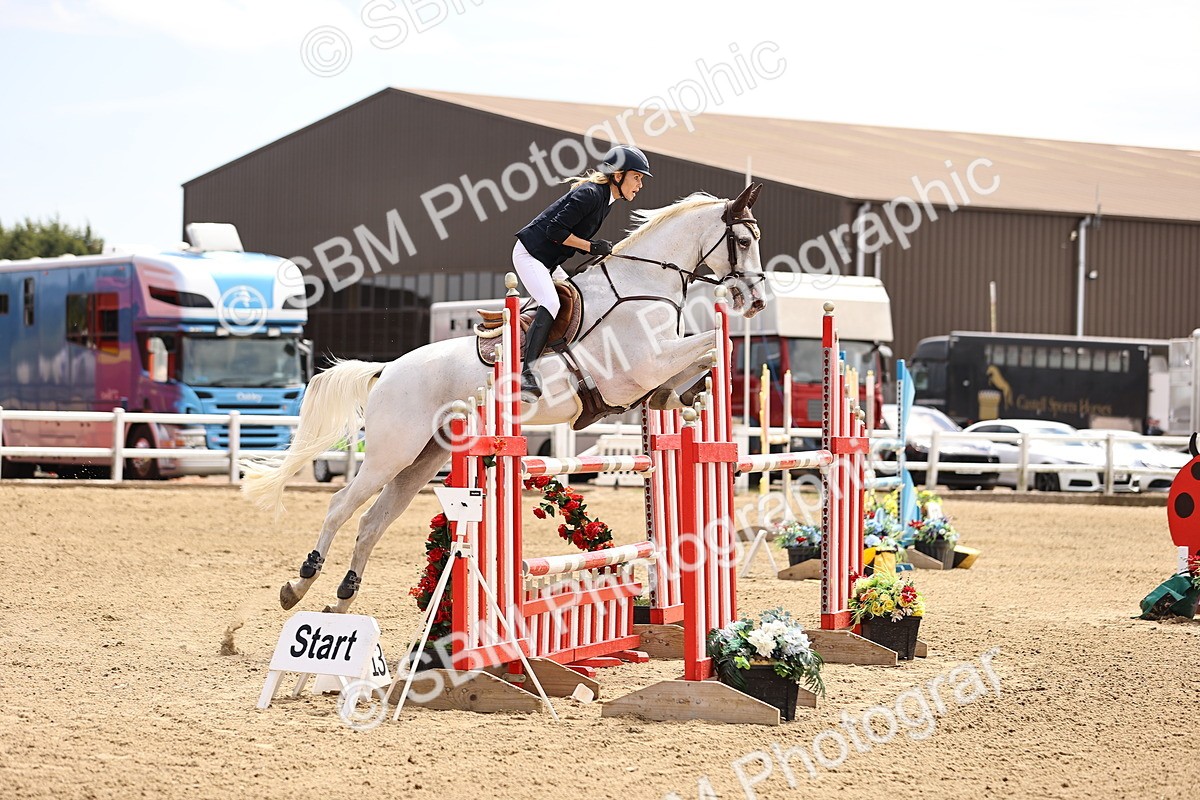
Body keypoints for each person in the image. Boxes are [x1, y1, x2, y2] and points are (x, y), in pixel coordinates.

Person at [512, 144, 652, 401]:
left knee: (578, 299)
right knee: (551, 302)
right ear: (618, 175)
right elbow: (555, 231)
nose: (640, 185)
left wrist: (593, 248)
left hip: (549, 263)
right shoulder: (590, 194)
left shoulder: (605, 199)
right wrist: (591, 246)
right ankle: (526, 374)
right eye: (637, 177)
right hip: (531, 255)